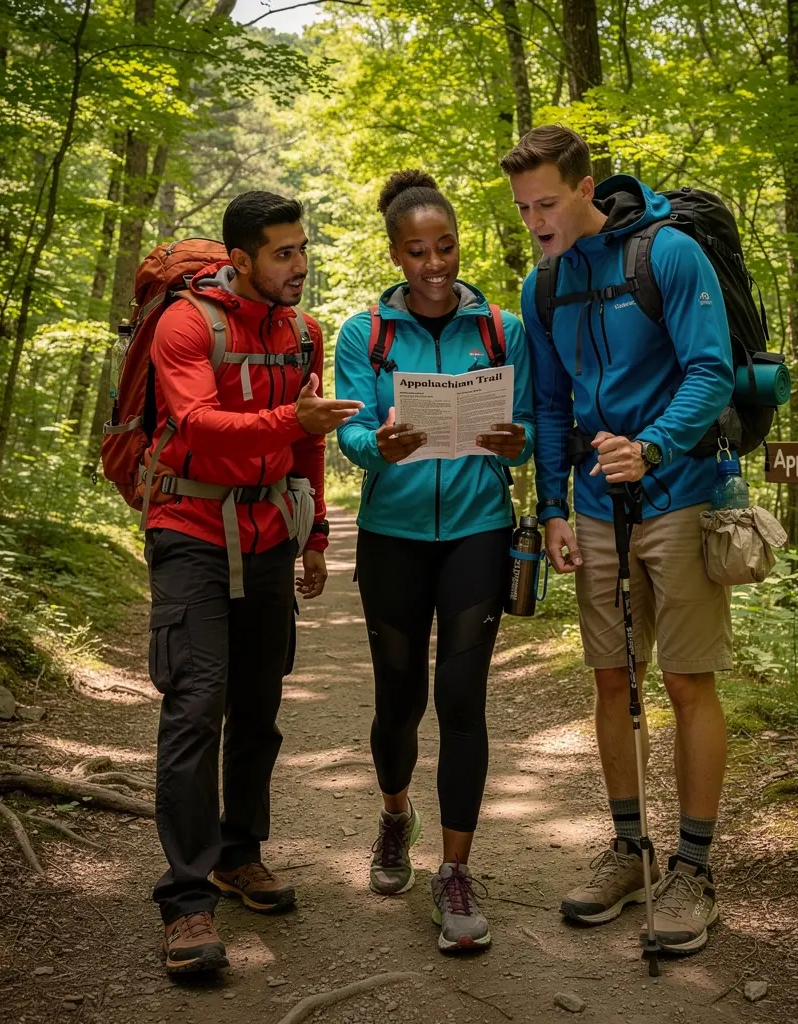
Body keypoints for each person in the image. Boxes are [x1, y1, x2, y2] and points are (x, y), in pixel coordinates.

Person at [501, 126, 735, 955]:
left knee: (685, 680)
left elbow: (712, 371)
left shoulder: (667, 255)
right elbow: (554, 404)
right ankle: (631, 850)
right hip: (596, 510)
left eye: (548, 203)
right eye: (523, 207)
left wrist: (656, 445)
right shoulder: (544, 285)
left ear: (584, 187)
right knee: (611, 680)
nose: (536, 221)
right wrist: (555, 507)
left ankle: (694, 869)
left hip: (679, 493)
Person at [144, 191, 362, 974]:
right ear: (241, 259)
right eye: (283, 254)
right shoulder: (185, 324)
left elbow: (309, 443)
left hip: (271, 535)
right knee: (197, 708)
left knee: (260, 709)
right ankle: (187, 900)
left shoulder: (302, 331)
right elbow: (197, 424)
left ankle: (240, 856)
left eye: (303, 249)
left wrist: (317, 538)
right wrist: (294, 426)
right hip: (190, 531)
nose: (300, 266)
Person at [334, 170, 535, 953]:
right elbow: (349, 434)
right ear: (396, 254)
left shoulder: (503, 330)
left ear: (459, 244)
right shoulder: (366, 334)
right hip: (393, 534)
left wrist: (518, 448)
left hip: (478, 531)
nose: (435, 263)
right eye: (417, 251)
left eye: (445, 246)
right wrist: (375, 448)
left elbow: (532, 423)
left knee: (460, 696)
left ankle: (454, 873)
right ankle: (394, 817)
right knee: (399, 701)